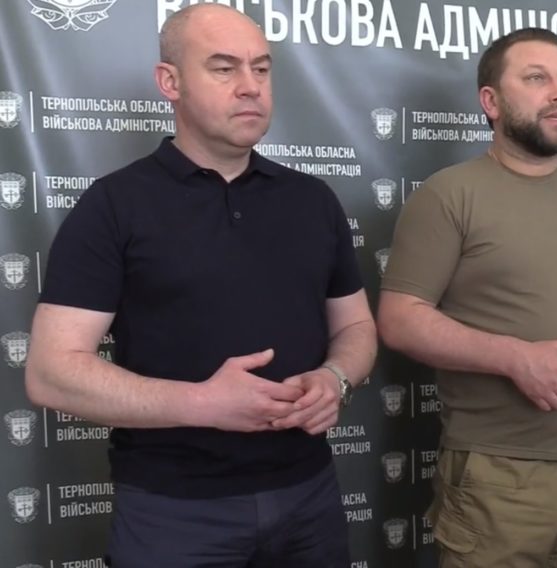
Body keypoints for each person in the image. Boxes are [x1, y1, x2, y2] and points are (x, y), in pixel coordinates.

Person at [24, 4, 375, 567]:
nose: (250, 86)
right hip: (173, 512)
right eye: (224, 68)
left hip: (310, 496)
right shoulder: (114, 205)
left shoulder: (313, 201)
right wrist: (202, 403)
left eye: (261, 69)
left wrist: (335, 378)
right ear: (171, 82)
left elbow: (356, 326)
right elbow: (50, 372)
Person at [377, 27, 557, 568]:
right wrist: (513, 358)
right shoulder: (449, 195)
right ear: (490, 101)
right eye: (536, 78)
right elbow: (399, 318)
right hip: (496, 479)